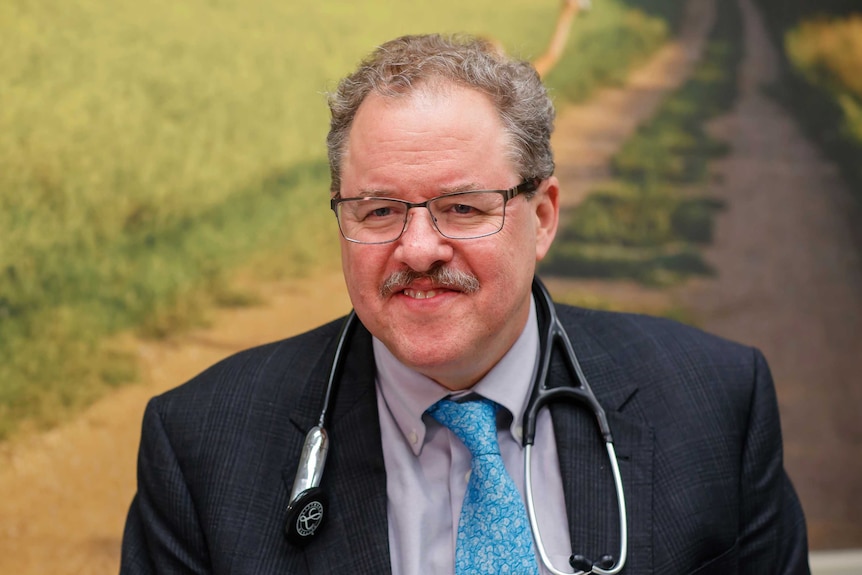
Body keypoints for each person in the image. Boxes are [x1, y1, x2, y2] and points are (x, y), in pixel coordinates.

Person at [119, 33, 810, 574]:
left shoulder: (714, 405)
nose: (418, 248)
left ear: (542, 217)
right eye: (380, 209)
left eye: (461, 206)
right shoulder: (203, 446)